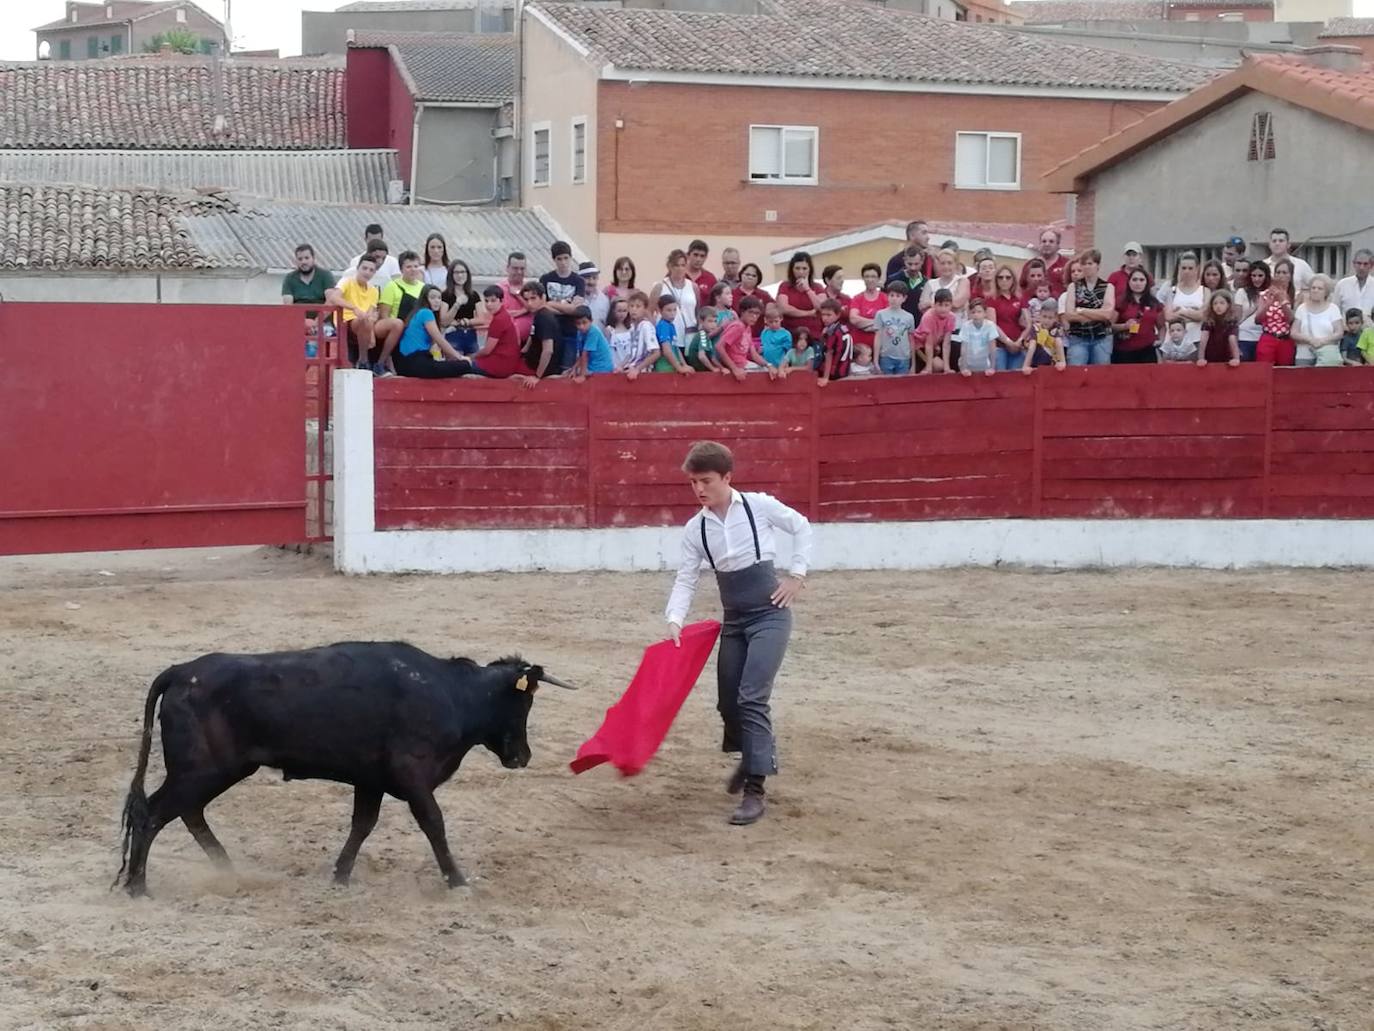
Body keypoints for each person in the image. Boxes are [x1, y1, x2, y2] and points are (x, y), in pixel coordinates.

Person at [665, 441, 812, 826]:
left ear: (727, 478)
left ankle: (755, 789)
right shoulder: (696, 527)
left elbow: (801, 526)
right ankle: (752, 756)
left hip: (770, 615)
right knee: (728, 704)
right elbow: (686, 578)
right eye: (693, 482)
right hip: (734, 622)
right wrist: (674, 619)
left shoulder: (759, 507)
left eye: (706, 481)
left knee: (751, 698)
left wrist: (797, 575)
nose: (699, 490)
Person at [455, 286, 531, 383]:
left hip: (499, 365)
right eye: (486, 301)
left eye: (493, 301)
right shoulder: (504, 315)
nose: (489, 304)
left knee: (459, 366)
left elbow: (487, 350)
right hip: (508, 362)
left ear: (501, 301)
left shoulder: (499, 320)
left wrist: (470, 357)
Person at [392, 285, 470, 378]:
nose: (437, 301)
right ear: (425, 299)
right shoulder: (426, 312)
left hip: (408, 362)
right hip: (414, 361)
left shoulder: (419, 312)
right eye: (432, 298)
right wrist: (459, 357)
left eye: (439, 298)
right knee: (465, 365)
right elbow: (439, 339)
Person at [374, 250, 427, 372]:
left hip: (414, 329)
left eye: (415, 266)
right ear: (401, 269)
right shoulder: (392, 286)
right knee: (398, 324)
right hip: (394, 328)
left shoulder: (423, 288)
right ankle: (381, 362)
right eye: (408, 267)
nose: (413, 270)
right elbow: (384, 314)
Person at [325, 255, 380, 369]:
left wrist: (371, 333)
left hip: (363, 322)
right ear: (358, 269)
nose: (367, 272)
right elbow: (334, 298)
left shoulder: (374, 290)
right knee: (363, 320)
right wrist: (353, 308)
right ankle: (363, 360)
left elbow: (371, 313)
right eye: (364, 268)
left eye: (371, 270)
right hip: (345, 320)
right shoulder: (346, 281)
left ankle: (365, 361)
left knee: (367, 320)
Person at [1063, 249, 1116, 367]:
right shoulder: (1073, 286)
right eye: (1084, 264)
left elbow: (1107, 314)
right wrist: (1097, 314)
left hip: (1102, 337)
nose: (1087, 267)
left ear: (1098, 265)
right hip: (1078, 337)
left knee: (1101, 375)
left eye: (1090, 263)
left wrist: (1082, 310)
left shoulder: (1108, 287)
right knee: (1076, 372)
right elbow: (1070, 315)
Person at [540, 241, 586, 372]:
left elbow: (575, 309)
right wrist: (565, 308)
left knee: (566, 369)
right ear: (554, 260)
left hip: (570, 331)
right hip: (550, 331)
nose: (563, 262)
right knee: (550, 369)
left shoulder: (578, 281)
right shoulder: (545, 279)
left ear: (571, 258)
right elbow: (541, 306)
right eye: (559, 259)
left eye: (566, 258)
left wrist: (552, 304)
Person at [281, 243, 337, 338]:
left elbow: (331, 301)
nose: (304, 262)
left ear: (313, 258)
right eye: (300, 259)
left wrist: (315, 322)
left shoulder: (325, 275)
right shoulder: (289, 278)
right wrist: (304, 322)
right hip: (297, 322)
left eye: (307, 258)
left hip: (323, 323)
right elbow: (288, 306)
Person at [1293, 274, 1345, 367]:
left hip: (1327, 356)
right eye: (1313, 288)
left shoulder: (1333, 308)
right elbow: (1294, 332)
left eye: (1320, 288)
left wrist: (1322, 341)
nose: (1315, 290)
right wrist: (1310, 340)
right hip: (1304, 355)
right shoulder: (1302, 308)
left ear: (1326, 292)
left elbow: (1339, 332)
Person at [1112, 268, 1162, 364]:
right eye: (1134, 280)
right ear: (1129, 282)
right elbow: (1109, 326)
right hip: (1124, 351)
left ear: (1147, 283)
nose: (1138, 283)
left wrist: (1161, 340)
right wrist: (1124, 326)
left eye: (1141, 280)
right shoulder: (1120, 302)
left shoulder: (1154, 303)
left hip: (1147, 350)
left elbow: (1161, 326)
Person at [710, 306, 772, 382]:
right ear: (742, 312)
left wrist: (769, 365)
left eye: (757, 314)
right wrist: (734, 369)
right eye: (751, 312)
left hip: (744, 364)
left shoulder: (748, 327)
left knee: (769, 372)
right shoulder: (738, 326)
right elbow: (719, 346)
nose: (754, 316)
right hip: (736, 366)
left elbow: (754, 355)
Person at [1164, 252, 1207, 357]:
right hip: (1174, 343)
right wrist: (1193, 313)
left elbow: (1203, 316)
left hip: (1197, 340)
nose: (1187, 271)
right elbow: (1168, 316)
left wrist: (1182, 312)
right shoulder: (1172, 290)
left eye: (1190, 268)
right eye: (1184, 268)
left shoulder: (1205, 291)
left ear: (1197, 269)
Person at [649, 249, 698, 340]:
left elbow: (697, 312)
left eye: (683, 265)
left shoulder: (693, 287)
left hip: (690, 336)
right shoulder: (659, 286)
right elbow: (649, 312)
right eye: (676, 265)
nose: (680, 269)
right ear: (670, 266)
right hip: (667, 337)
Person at [775, 251, 824, 341]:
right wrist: (809, 313)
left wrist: (808, 289)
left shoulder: (818, 287)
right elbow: (783, 308)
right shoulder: (785, 286)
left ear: (810, 270)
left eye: (804, 268)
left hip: (813, 336)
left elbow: (822, 307)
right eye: (797, 268)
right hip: (790, 336)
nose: (801, 272)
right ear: (792, 269)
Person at [1256, 259, 1296, 366]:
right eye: (1278, 272)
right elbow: (1258, 320)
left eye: (1284, 272)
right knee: (1264, 370)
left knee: (1285, 373)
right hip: (1268, 337)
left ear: (1291, 276)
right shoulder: (1264, 294)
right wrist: (1268, 304)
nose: (1280, 275)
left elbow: (1291, 320)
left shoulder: (1296, 295)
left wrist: (1283, 301)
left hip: (1286, 339)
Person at [989, 265, 1029, 371]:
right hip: (999, 346)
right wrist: (1009, 342)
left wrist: (1019, 341)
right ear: (996, 280)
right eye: (1000, 277)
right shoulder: (992, 299)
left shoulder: (1020, 298)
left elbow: (1028, 324)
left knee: (1015, 381)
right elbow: (992, 324)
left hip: (1018, 346)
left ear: (1013, 280)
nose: (1004, 280)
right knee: (1000, 379)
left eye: (1008, 277)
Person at [441, 258, 484, 356]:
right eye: (456, 272)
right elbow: (444, 321)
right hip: (453, 335)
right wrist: (457, 304)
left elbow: (482, 319)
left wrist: (465, 322)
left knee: (471, 366)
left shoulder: (474, 295)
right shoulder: (446, 295)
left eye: (462, 272)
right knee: (455, 366)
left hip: (470, 335)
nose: (460, 275)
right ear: (451, 275)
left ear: (467, 274)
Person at [958, 298, 1010, 377]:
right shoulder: (966, 326)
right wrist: (964, 368)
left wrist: (992, 368)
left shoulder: (990, 325)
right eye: (973, 312)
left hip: (984, 364)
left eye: (979, 312)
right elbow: (964, 348)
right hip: (968, 363)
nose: (976, 315)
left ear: (985, 313)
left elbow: (992, 348)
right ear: (969, 314)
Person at [520, 282, 562, 379]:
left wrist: (537, 376)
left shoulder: (544, 318)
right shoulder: (538, 314)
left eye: (533, 298)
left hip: (539, 370)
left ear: (543, 297)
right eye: (526, 299)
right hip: (530, 362)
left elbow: (548, 350)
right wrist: (523, 352)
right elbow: (533, 334)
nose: (529, 303)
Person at [874, 281, 916, 375]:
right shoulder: (881, 314)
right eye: (891, 295)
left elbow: (911, 339)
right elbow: (878, 337)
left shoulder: (909, 317)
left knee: (902, 386)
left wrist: (913, 364)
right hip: (886, 356)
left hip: (904, 358)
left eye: (898, 296)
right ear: (887, 296)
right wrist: (876, 360)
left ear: (904, 298)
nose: (894, 299)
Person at [846, 263, 886, 357]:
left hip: (879, 346)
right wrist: (877, 323)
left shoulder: (885, 298)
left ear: (878, 278)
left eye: (873, 276)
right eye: (867, 276)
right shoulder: (857, 298)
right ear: (863, 278)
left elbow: (887, 321)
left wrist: (863, 324)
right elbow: (853, 319)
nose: (870, 280)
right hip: (859, 348)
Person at [914, 288, 956, 374]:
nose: (943, 309)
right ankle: (921, 376)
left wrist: (947, 368)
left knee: (941, 366)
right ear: (934, 304)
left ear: (951, 305)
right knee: (937, 365)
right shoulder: (928, 316)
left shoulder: (951, 317)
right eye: (940, 305)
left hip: (934, 345)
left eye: (946, 305)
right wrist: (929, 368)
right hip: (919, 345)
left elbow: (946, 344)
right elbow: (928, 343)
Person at [1264, 228, 1313, 298]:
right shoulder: (1263, 265)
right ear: (1269, 244)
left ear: (1288, 244)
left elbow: (1315, 286)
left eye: (1281, 241)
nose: (1277, 243)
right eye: (1274, 241)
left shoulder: (1301, 264)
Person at [1197, 290, 1241, 368]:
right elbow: (1203, 339)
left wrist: (1236, 358)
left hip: (1227, 356)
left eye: (1222, 303)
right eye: (1215, 303)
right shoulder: (1208, 321)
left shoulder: (1232, 321)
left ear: (1228, 305)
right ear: (1211, 306)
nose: (1218, 306)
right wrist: (1201, 358)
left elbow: (1232, 339)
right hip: (1210, 356)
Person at [1236, 262, 1270, 363]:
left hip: (1263, 337)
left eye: (1260, 275)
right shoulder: (1241, 292)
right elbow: (1237, 319)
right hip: (1244, 338)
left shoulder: (1271, 293)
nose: (1257, 279)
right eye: (1253, 275)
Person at [1020, 226, 1068, 296]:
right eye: (1044, 241)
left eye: (1051, 241)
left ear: (1058, 245)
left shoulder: (1066, 264)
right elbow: (1022, 287)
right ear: (1040, 244)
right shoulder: (1029, 265)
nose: (1047, 244)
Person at [624, 291, 661, 381]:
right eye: (631, 306)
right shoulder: (632, 328)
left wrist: (638, 369)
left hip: (643, 372)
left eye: (638, 306)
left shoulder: (646, 326)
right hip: (630, 368)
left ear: (645, 309)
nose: (634, 309)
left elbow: (656, 353)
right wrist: (621, 366)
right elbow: (630, 353)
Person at [571, 305, 614, 381]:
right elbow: (581, 355)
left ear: (591, 321)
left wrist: (582, 376)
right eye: (578, 323)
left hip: (602, 368)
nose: (581, 326)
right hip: (591, 365)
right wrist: (574, 368)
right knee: (570, 373)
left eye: (584, 322)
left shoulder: (593, 332)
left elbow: (585, 354)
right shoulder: (579, 333)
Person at [885, 219, 935, 283]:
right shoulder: (896, 261)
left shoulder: (928, 259)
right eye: (924, 233)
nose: (928, 237)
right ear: (912, 235)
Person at [1022, 300, 1066, 373]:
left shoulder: (1056, 328)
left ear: (1055, 318)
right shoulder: (1036, 328)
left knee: (1058, 341)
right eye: (1044, 316)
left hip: (1052, 364)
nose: (1046, 320)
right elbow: (1032, 346)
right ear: (1040, 315)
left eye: (1050, 318)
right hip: (1036, 363)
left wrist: (1062, 362)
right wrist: (1026, 366)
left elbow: (1059, 344)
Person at [817, 299, 854, 386]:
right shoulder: (843, 328)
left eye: (829, 315)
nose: (825, 318)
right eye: (823, 314)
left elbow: (829, 354)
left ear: (838, 315)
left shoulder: (833, 332)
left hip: (834, 371)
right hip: (844, 369)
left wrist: (825, 377)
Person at [654, 295, 694, 375]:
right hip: (665, 367)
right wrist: (679, 368)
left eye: (675, 310)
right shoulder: (663, 326)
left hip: (673, 367)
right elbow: (667, 350)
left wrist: (684, 365)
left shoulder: (671, 325)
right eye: (668, 310)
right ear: (660, 310)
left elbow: (676, 348)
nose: (672, 313)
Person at [501, 251, 533, 341]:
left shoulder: (531, 288)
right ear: (507, 268)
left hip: (529, 342)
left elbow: (535, 309)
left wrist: (518, 296)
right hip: (506, 341)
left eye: (522, 268)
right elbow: (501, 314)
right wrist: (525, 310)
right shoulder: (499, 289)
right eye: (515, 268)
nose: (519, 272)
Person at [734, 263, 768, 340]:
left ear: (758, 279)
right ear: (741, 275)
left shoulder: (765, 295)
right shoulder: (732, 294)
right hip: (737, 339)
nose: (750, 277)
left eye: (754, 276)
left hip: (759, 339)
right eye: (747, 274)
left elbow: (772, 313)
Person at [1335, 249, 1374, 317]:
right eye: (1359, 263)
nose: (1361, 267)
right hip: (1346, 326)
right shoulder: (1342, 284)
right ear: (1354, 264)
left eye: (1365, 264)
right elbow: (1335, 310)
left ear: (1371, 265)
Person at [759, 303, 792, 368]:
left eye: (776, 321)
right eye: (770, 322)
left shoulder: (786, 334)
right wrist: (760, 350)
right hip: (766, 364)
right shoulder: (765, 332)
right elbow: (762, 345)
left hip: (779, 364)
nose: (773, 324)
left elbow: (789, 352)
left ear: (781, 319)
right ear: (766, 321)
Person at [579, 261, 611, 327]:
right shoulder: (574, 298)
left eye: (594, 278)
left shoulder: (604, 300)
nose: (591, 282)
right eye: (587, 278)